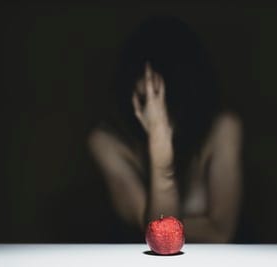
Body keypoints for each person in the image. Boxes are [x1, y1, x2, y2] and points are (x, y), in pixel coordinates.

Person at [88, 16, 243, 243]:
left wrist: (156, 223)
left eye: (165, 98)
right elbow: (159, 235)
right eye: (145, 99)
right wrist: (160, 149)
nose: (157, 113)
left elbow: (220, 232)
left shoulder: (223, 129)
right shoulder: (106, 141)